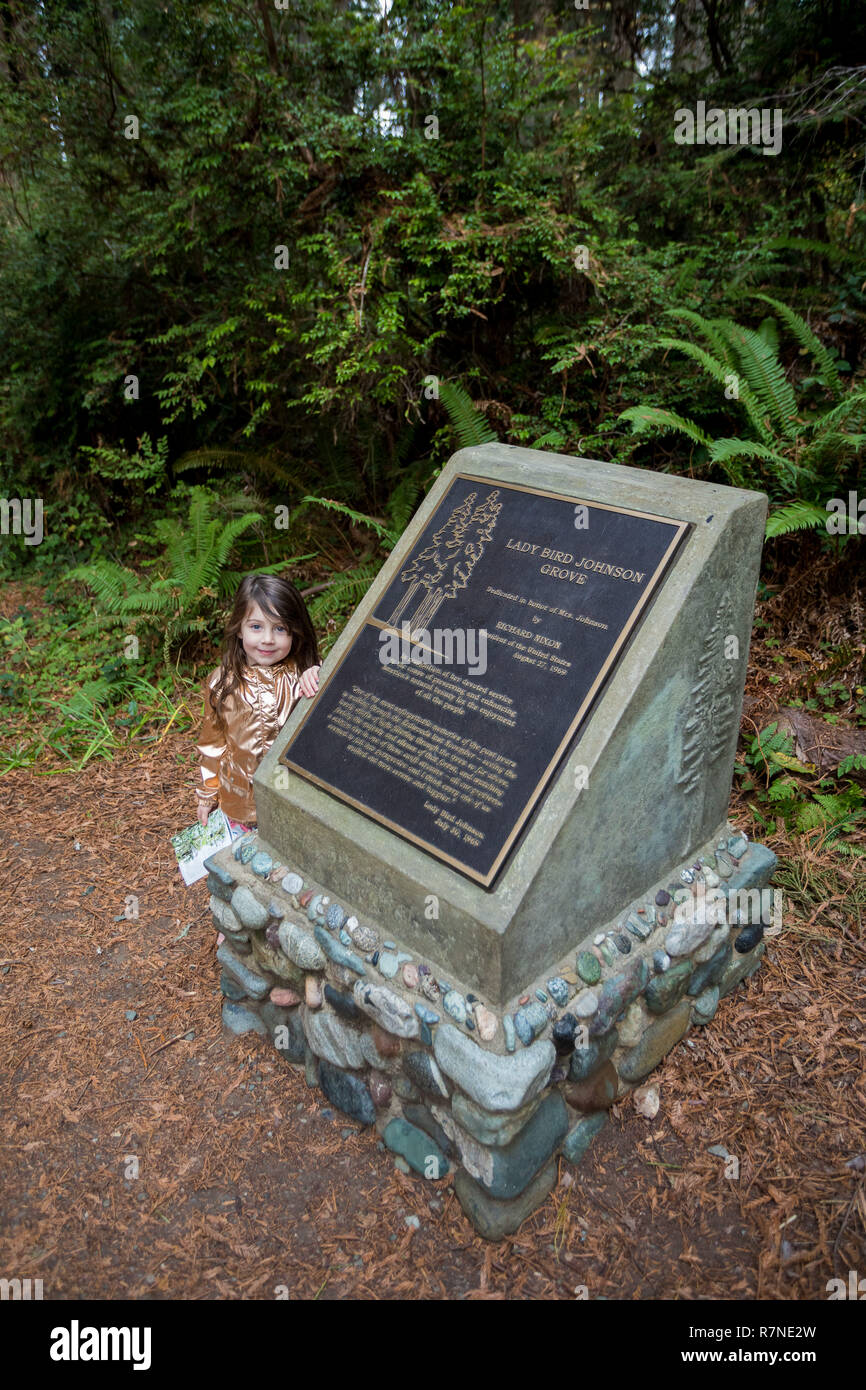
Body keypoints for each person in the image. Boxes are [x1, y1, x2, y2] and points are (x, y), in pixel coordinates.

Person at [194, 574, 321, 831]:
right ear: (239, 628)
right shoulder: (222, 683)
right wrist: (207, 794)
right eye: (256, 627)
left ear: (295, 632)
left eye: (280, 628)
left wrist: (320, 675)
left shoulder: (303, 676)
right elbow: (213, 744)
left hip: (294, 801)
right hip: (239, 803)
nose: (267, 639)